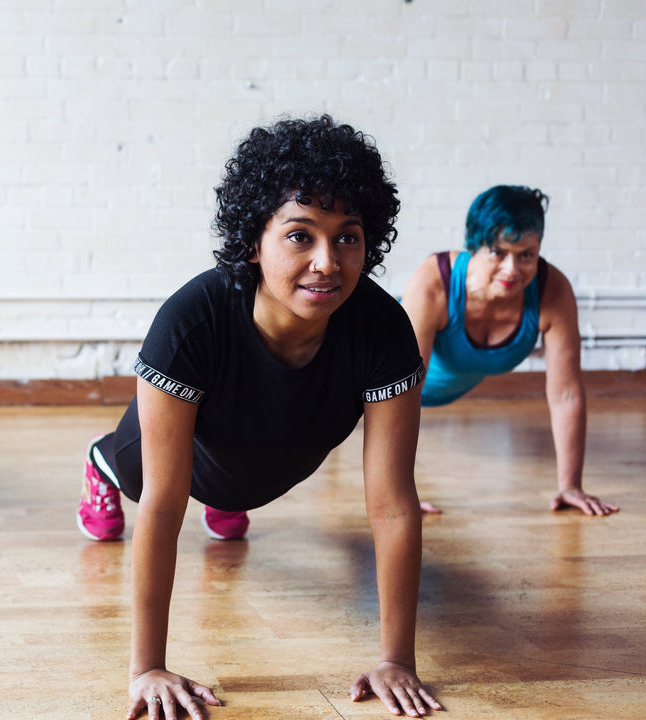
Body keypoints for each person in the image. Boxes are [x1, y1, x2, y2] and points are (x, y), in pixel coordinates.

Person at [77, 116, 441, 719]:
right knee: (143, 477)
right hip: (185, 457)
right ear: (254, 240)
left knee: (236, 486)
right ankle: (103, 463)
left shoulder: (382, 330)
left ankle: (229, 496)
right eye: (301, 236)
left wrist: (396, 659)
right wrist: (146, 668)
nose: (328, 261)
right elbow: (165, 511)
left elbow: (393, 504)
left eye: (348, 236)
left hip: (268, 453)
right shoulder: (190, 323)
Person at [400, 185, 619, 517]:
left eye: (526, 254)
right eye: (498, 252)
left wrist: (570, 485)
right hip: (375, 379)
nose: (512, 269)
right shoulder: (436, 282)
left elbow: (567, 396)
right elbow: (402, 391)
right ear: (474, 246)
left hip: (438, 390)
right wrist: (398, 494)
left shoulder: (552, 291)